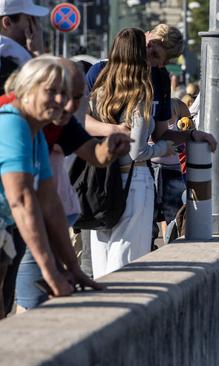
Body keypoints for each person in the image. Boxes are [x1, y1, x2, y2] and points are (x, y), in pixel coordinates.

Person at [9, 59, 133, 312]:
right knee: (29, 308)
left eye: (74, 97)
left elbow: (50, 203)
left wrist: (72, 269)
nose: (67, 105)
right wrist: (51, 271)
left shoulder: (45, 127)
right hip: (11, 225)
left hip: (10, 229)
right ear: (27, 87)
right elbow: (21, 201)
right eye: (54, 92)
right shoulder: (12, 123)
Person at [87, 28, 178, 279]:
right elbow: (139, 151)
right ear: (139, 54)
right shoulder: (141, 91)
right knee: (127, 264)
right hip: (134, 179)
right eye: (146, 48)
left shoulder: (101, 88)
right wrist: (164, 148)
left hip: (102, 177)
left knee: (102, 259)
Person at [84, 24, 216, 151]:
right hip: (99, 163)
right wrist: (115, 130)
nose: (147, 53)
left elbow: (161, 135)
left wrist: (191, 134)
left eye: (155, 55)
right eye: (148, 45)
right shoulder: (100, 70)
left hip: (136, 167)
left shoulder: (160, 80)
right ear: (145, 35)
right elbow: (80, 120)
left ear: (164, 63)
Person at [150, 98, 189, 246]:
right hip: (149, 170)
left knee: (177, 220)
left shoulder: (179, 106)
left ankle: (174, 252)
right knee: (149, 224)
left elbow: (190, 134)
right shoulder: (144, 106)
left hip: (174, 172)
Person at [0, 0, 47, 94]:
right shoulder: (14, 59)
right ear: (7, 23)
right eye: (29, 20)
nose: (35, 27)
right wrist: (39, 55)